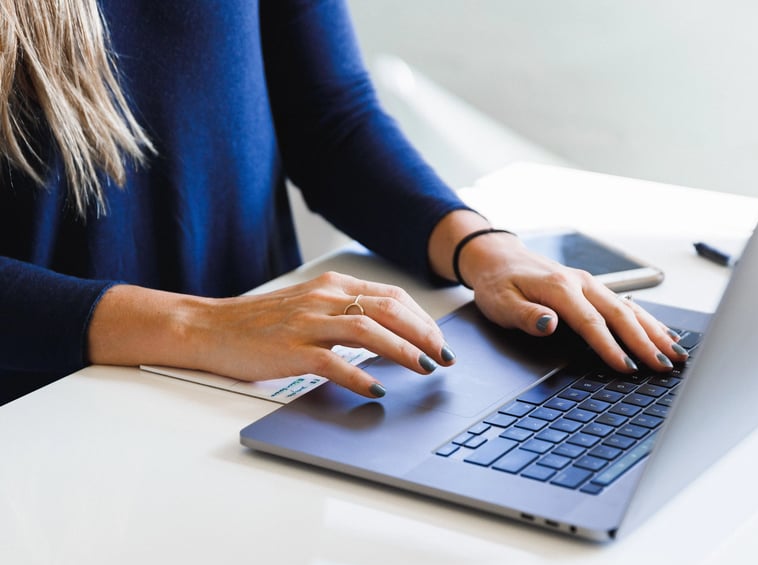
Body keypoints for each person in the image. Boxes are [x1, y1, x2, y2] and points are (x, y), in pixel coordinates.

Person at [0, 0, 688, 407]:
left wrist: (483, 251)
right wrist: (196, 326)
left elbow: (327, 115)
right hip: (50, 418)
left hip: (262, 390)